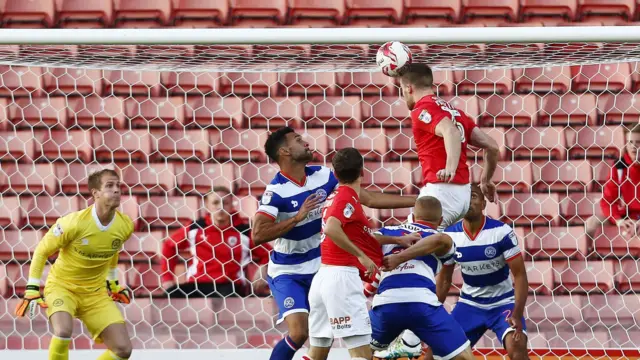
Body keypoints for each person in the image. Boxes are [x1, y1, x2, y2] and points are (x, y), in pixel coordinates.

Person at [252, 127, 416, 360]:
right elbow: (258, 234)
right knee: (300, 332)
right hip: (289, 270)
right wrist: (297, 218)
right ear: (285, 151)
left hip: (322, 266)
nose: (306, 142)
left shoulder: (323, 176)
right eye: (298, 140)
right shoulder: (275, 191)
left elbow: (367, 198)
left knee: (322, 341)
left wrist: (418, 201)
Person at [378, 62, 500, 359]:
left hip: (439, 191)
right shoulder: (456, 110)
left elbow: (449, 133)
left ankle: (407, 339)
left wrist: (448, 166)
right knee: (439, 254)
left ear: (407, 87)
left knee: (410, 242)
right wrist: (485, 181)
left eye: (400, 90)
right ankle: (422, 325)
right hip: (461, 194)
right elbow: (492, 146)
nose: (402, 95)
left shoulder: (425, 107)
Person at [15, 169, 135, 360]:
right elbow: (41, 250)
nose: (116, 190)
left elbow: (113, 252)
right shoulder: (73, 223)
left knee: (123, 350)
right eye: (109, 186)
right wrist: (32, 287)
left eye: (118, 185)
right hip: (63, 288)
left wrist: (113, 283)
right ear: (95, 193)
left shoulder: (125, 225)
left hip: (95, 294)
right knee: (63, 332)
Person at [305, 147, 411, 360]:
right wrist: (361, 256)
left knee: (317, 353)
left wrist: (398, 239)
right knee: (361, 353)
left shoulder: (338, 195)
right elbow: (332, 228)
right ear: (363, 172)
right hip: (342, 279)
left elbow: (359, 232)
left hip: (323, 278)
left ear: (335, 173)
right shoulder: (346, 198)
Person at [373, 196, 475, 360]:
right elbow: (441, 239)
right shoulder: (437, 236)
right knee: (464, 356)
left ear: (412, 216)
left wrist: (398, 253)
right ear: (441, 220)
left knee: (360, 352)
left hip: (386, 304)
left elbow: (364, 238)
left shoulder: (388, 231)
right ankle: (409, 343)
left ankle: (407, 343)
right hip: (423, 304)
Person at [435, 184, 530, 360]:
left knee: (517, 349)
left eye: (473, 197)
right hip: (469, 305)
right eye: (464, 198)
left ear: (483, 204)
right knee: (437, 354)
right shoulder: (450, 236)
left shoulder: (501, 232)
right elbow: (444, 281)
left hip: (503, 303)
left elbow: (520, 275)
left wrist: (517, 313)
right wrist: (430, 312)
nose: (469, 202)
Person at [161, 186, 270, 298]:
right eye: (215, 203)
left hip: (229, 286)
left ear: (231, 205)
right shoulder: (195, 228)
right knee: (170, 295)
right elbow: (169, 246)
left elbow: (271, 254)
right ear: (207, 205)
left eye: (225, 203)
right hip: (197, 285)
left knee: (224, 300)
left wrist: (263, 268)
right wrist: (167, 278)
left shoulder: (244, 232)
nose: (221, 207)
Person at [586, 123, 640, 240]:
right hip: (626, 218)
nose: (634, 146)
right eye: (630, 142)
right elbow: (607, 201)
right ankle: (594, 255)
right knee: (592, 223)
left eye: (638, 142)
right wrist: (618, 220)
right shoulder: (619, 166)